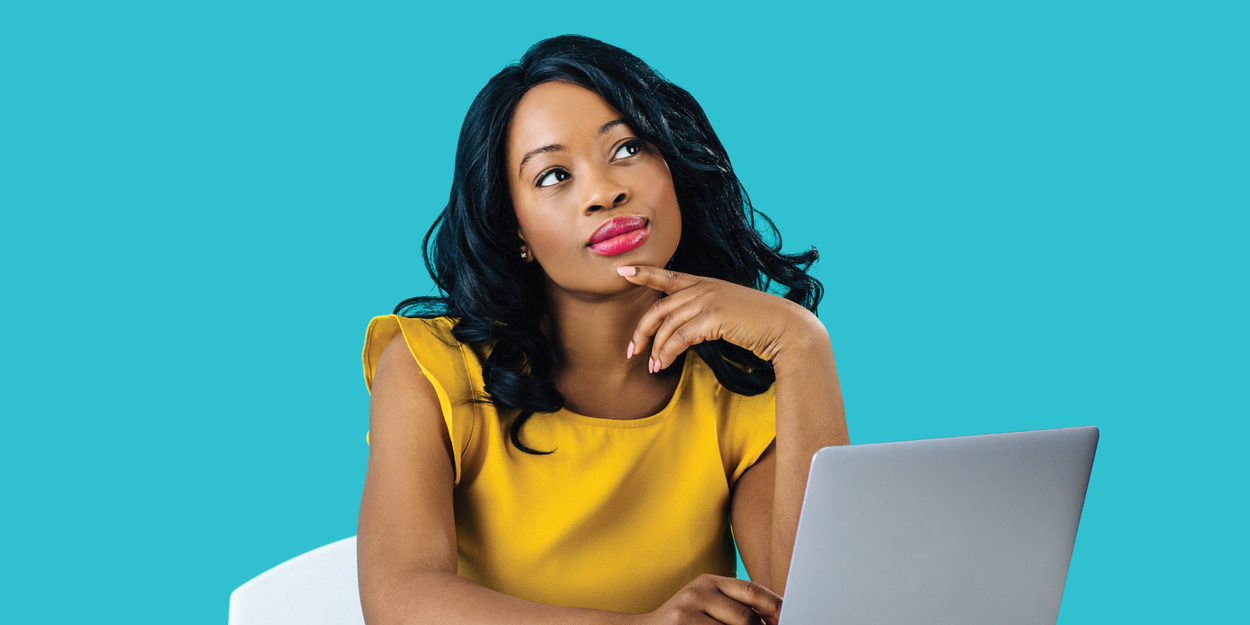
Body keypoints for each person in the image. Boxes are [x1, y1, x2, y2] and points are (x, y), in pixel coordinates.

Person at [356, 34, 849, 625]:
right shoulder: (431, 369)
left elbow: (817, 605)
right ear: (515, 231)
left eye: (627, 149)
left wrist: (803, 345)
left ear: (673, 167)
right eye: (553, 176)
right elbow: (398, 600)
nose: (603, 192)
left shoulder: (734, 383)